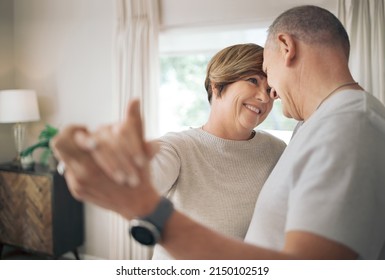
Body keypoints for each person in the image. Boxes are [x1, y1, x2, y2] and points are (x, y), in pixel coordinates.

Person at [52, 5, 385, 259]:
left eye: (268, 81)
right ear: (217, 85)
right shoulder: (314, 126)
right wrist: (112, 164)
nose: (269, 95)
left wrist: (155, 215)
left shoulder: (345, 127)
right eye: (256, 78)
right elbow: (152, 165)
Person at [148, 44, 285, 259]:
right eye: (253, 80)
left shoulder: (276, 150)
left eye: (270, 90)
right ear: (217, 85)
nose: (264, 98)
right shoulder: (177, 147)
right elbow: (145, 181)